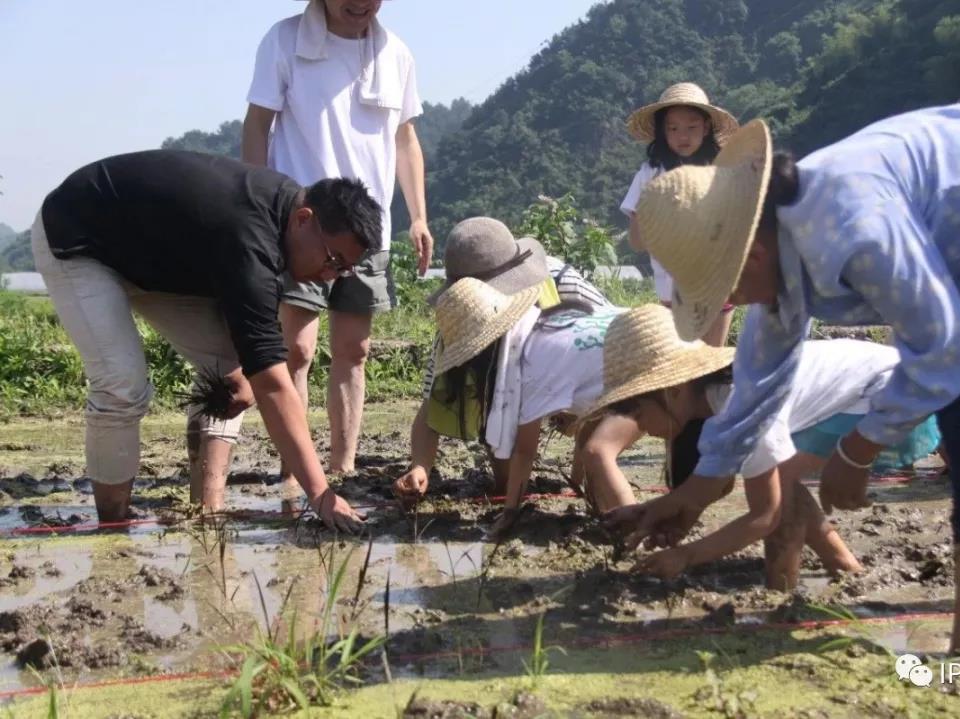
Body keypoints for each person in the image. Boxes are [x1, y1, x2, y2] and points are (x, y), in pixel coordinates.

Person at [618, 94, 960, 651]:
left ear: (751, 259)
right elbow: (754, 391)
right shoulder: (780, 248)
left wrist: (859, 449)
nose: (732, 304)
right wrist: (686, 498)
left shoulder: (854, 227)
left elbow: (947, 354)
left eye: (725, 291)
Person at [31, 149, 376, 533]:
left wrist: (246, 375)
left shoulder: (283, 220)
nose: (331, 277)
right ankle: (113, 526)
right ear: (303, 219)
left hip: (153, 259)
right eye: (333, 259)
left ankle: (206, 509)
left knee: (230, 369)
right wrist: (321, 494)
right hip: (80, 239)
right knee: (121, 384)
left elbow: (254, 363)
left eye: (343, 269)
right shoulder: (250, 238)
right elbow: (273, 384)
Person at [594, 305, 941, 589]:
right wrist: (648, 511)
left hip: (892, 403)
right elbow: (703, 488)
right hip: (884, 391)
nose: (640, 429)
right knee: (778, 474)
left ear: (672, 391)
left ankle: (781, 587)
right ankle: (845, 568)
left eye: (639, 415)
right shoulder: (722, 400)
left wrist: (686, 555)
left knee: (779, 487)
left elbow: (763, 518)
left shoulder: (740, 403)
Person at [242, 0, 432, 500]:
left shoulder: (396, 53)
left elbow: (405, 139)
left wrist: (417, 216)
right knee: (297, 350)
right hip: (305, 225)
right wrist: (258, 203)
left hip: (367, 230)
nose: (361, 4)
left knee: (354, 350)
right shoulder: (284, 40)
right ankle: (295, 469)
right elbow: (258, 124)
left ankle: (342, 467)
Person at [392, 217, 613, 506]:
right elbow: (431, 403)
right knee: (504, 486)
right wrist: (420, 467)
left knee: (595, 477)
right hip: (507, 395)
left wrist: (581, 479)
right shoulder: (462, 318)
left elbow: (608, 359)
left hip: (580, 384)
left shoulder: (561, 283)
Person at [429, 278, 634, 534]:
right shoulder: (545, 323)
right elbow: (594, 402)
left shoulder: (528, 366)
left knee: (598, 452)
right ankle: (612, 517)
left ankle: (638, 539)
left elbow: (524, 452)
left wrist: (510, 512)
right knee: (591, 442)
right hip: (655, 338)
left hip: (643, 370)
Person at [622, 82, 738, 342]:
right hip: (671, 291)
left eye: (691, 127)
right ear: (663, 132)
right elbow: (637, 241)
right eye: (673, 128)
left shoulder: (721, 171)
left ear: (706, 127)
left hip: (715, 286)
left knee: (711, 364)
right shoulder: (649, 174)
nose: (682, 136)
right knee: (680, 370)